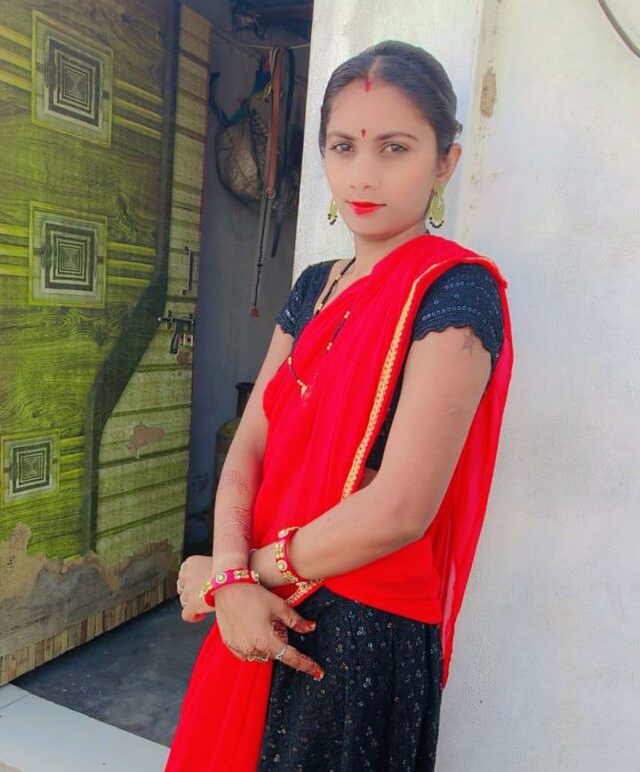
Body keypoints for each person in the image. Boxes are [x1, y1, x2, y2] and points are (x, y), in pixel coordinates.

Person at [165, 40, 514, 771]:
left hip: (358, 637)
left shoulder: (455, 292)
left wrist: (238, 575)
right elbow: (249, 445)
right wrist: (231, 577)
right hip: (255, 608)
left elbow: (402, 507)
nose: (363, 173)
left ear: (444, 163)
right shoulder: (313, 286)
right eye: (343, 146)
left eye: (395, 147)